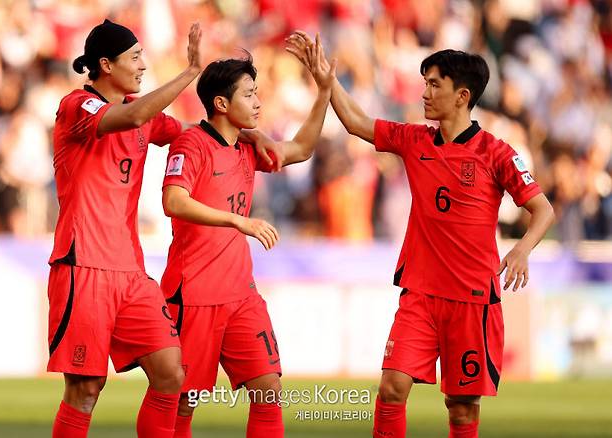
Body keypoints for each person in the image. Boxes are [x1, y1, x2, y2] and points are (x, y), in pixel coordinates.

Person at [286, 33, 555, 438]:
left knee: (462, 410)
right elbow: (358, 123)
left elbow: (543, 210)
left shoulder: (496, 153)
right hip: (421, 295)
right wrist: (326, 81)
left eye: (434, 85)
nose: (425, 93)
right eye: (424, 83)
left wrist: (521, 249)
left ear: (462, 95)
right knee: (391, 387)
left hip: (472, 299)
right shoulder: (416, 140)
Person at [47, 19, 281, 438]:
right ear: (105, 64)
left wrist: (251, 133)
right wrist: (190, 73)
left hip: (132, 273)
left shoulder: (148, 119)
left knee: (173, 374)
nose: (142, 65)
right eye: (134, 57)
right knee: (85, 388)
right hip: (83, 266)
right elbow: (133, 113)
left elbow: (204, 132)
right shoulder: (76, 106)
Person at [159, 41, 336, 438]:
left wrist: (323, 90)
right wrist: (237, 221)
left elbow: (302, 148)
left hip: (241, 294)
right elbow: (173, 200)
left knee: (268, 390)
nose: (258, 102)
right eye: (249, 94)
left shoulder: (247, 146)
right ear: (221, 103)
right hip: (194, 294)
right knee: (183, 401)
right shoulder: (191, 144)